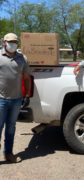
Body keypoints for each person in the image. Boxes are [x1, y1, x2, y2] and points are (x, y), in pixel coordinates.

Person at [0, 33, 31, 163]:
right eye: (10, 41)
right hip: (0, 99)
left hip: (16, 99)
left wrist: (27, 94)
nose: (13, 44)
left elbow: (26, 77)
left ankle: (8, 154)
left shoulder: (22, 58)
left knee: (11, 128)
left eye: (15, 42)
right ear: (4, 43)